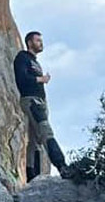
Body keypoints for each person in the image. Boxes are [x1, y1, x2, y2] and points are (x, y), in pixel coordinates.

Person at [14, 31, 71, 181]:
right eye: (38, 40)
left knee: (35, 141)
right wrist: (41, 79)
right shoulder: (23, 57)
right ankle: (62, 166)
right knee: (46, 131)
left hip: (40, 101)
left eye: (41, 40)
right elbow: (22, 78)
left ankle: (33, 177)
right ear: (29, 42)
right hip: (31, 100)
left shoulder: (35, 61)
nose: (41, 43)